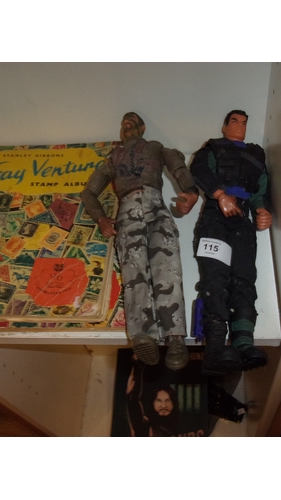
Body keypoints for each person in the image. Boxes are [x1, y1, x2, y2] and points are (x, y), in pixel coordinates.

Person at [81, 112, 198, 370]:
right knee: (134, 271)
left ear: (143, 127)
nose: (127, 122)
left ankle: (175, 339)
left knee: (168, 267)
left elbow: (178, 167)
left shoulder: (156, 147)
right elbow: (89, 193)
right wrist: (101, 218)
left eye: (133, 120)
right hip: (127, 210)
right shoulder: (113, 158)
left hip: (157, 206)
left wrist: (191, 192)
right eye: (124, 121)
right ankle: (143, 334)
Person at [190, 110, 272, 375]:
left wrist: (261, 209)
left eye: (244, 122)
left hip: (242, 219)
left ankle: (244, 341)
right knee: (215, 276)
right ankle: (214, 345)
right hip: (215, 216)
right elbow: (199, 169)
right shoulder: (213, 148)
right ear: (225, 126)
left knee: (244, 276)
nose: (240, 126)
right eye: (234, 121)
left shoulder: (256, 155)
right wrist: (219, 194)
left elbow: (261, 187)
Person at [126, 363, 180, 437]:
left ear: (174, 403)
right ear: (153, 403)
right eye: (159, 401)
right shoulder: (147, 427)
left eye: (167, 401)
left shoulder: (183, 425)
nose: (163, 405)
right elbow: (134, 402)